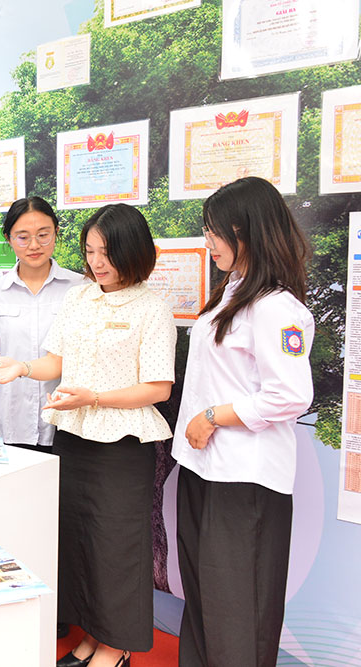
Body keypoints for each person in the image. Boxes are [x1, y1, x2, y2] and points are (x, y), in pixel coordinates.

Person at [0, 203, 177, 667]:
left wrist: (95, 397)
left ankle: (115, 646)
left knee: (115, 547)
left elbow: (158, 388)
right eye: (90, 251)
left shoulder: (152, 308)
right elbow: (57, 361)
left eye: (107, 252)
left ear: (133, 251)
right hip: (72, 437)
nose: (97, 262)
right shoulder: (79, 298)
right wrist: (22, 367)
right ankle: (89, 635)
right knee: (78, 541)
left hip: (122, 445)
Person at [172, 177, 313, 667]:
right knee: (204, 600)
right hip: (203, 469)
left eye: (215, 232)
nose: (207, 242)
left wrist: (214, 417)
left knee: (238, 611)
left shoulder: (276, 307)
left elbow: (289, 395)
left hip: (244, 480)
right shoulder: (230, 292)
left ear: (246, 231)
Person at [0, 196, 84, 451]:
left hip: (65, 421)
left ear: (56, 232)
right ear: (8, 238)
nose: (34, 245)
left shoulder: (80, 288)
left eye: (43, 235)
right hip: (12, 419)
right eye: (23, 237)